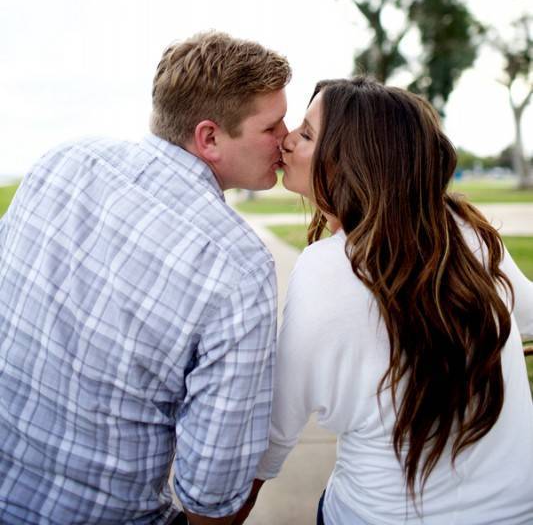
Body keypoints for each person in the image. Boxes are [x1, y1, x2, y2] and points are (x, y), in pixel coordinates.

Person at [0, 31, 291, 525]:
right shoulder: (239, 266)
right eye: (272, 126)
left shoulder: (63, 160)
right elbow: (211, 495)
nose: (287, 138)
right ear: (210, 137)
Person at [256, 77, 533, 524]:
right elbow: (529, 316)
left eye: (306, 134)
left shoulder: (326, 267)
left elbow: (275, 430)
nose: (287, 140)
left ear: (353, 162)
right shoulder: (467, 233)